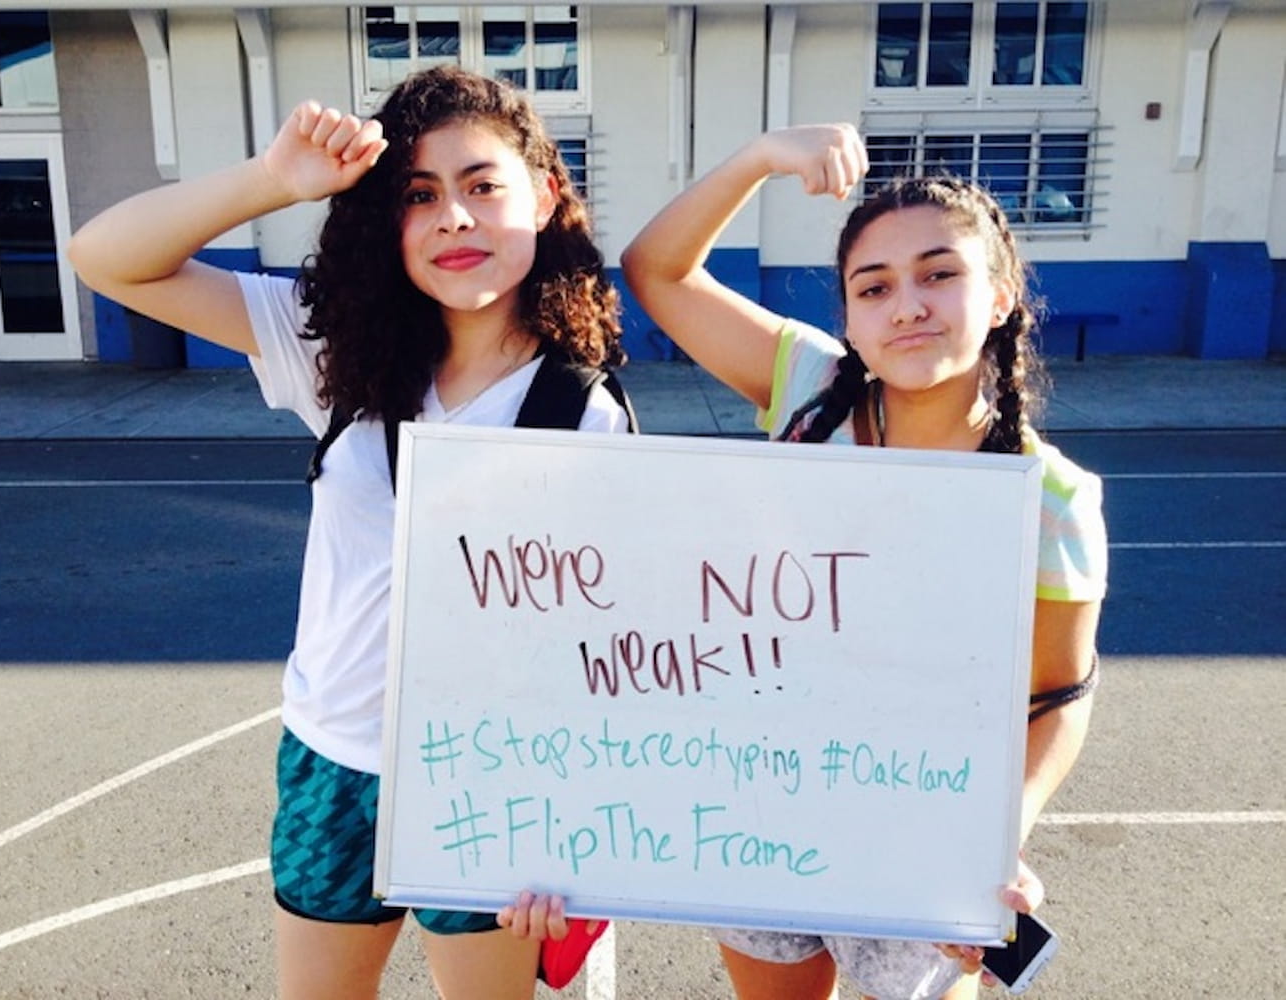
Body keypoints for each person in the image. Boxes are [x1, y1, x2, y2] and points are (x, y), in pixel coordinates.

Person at [69, 66, 628, 1000]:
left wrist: (565, 819)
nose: (453, 216)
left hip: (487, 775)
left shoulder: (584, 412)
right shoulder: (332, 351)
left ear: (544, 197)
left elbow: (604, 638)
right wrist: (273, 179)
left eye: (482, 186)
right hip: (334, 753)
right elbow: (106, 256)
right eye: (418, 195)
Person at [620, 125, 1106, 1000]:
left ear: (999, 296)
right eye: (873, 287)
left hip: (914, 834)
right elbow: (657, 269)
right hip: (762, 811)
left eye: (938, 274)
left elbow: (1058, 701)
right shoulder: (810, 390)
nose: (906, 305)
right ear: (847, 316)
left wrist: (995, 836)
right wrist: (759, 156)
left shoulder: (1051, 497)